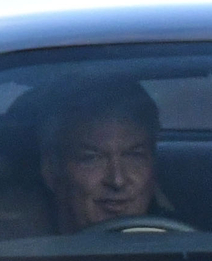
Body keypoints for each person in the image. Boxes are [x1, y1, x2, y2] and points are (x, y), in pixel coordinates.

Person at [39, 80, 161, 231]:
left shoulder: (187, 243)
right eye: (92, 158)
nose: (117, 180)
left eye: (134, 156)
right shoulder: (16, 250)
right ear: (51, 170)